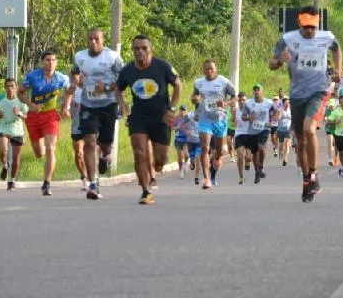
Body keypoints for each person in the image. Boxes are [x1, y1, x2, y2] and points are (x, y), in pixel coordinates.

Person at [269, 6, 342, 202]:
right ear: (300, 23)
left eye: (313, 27)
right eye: (306, 27)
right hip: (297, 95)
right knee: (300, 142)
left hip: (319, 91)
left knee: (310, 129)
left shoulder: (326, 37)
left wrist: (338, 70)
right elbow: (271, 63)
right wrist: (280, 62)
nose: (310, 31)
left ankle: (314, 173)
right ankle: (307, 180)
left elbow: (336, 48)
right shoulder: (287, 39)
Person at [115, 35, 181, 205]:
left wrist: (171, 109)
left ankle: (156, 167)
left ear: (151, 49)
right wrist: (122, 104)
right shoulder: (127, 70)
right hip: (139, 117)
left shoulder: (162, 66)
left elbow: (178, 85)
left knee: (162, 159)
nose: (140, 52)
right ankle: (145, 191)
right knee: (139, 152)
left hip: (161, 117)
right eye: (136, 48)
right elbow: (118, 89)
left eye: (144, 48)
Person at [69, 28, 124, 200]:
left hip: (108, 104)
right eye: (90, 39)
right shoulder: (80, 56)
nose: (93, 42)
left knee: (106, 142)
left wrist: (106, 88)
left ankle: (104, 154)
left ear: (102, 40)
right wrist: (75, 81)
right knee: (89, 142)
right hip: (88, 105)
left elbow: (124, 79)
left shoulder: (112, 57)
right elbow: (74, 72)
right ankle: (93, 183)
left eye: (96, 39)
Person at [19, 51, 72, 197]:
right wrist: (30, 105)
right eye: (48, 60)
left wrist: (66, 107)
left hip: (51, 116)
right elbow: (20, 92)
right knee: (39, 153)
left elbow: (69, 91)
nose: (50, 62)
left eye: (53, 60)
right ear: (42, 62)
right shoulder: (32, 77)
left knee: (50, 148)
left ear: (56, 62)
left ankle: (47, 183)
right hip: (34, 116)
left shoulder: (61, 78)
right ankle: (42, 157)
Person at [192, 59, 236, 189]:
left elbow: (234, 96)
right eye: (206, 69)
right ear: (203, 70)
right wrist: (194, 99)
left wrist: (226, 103)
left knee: (219, 152)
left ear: (216, 69)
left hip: (220, 120)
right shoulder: (199, 83)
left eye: (211, 68)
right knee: (204, 148)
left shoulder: (224, 82)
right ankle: (206, 179)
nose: (209, 71)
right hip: (205, 120)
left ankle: (217, 159)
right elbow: (194, 97)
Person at [0, 78, 28, 190]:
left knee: (16, 158)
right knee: (3, 150)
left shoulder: (21, 100)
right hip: (3, 127)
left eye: (12, 86)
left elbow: (28, 116)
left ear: (16, 87)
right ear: (5, 88)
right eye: (7, 86)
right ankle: (4, 164)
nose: (9, 88)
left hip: (17, 130)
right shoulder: (0, 98)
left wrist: (19, 114)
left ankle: (12, 181)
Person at [240, 84, 275, 185]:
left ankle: (261, 167)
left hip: (264, 129)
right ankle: (257, 172)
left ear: (262, 91)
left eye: (258, 90)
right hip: (252, 131)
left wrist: (271, 120)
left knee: (261, 148)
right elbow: (243, 117)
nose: (256, 91)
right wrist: (250, 117)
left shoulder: (269, 102)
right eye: (254, 90)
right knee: (254, 153)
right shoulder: (248, 103)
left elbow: (278, 110)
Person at [276, 97, 293, 166]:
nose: (288, 104)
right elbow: (278, 118)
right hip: (280, 130)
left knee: (287, 143)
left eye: (288, 103)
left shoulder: (291, 110)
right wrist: (281, 109)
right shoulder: (280, 110)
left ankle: (285, 159)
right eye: (286, 103)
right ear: (283, 104)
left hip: (288, 130)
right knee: (281, 146)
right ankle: (280, 152)